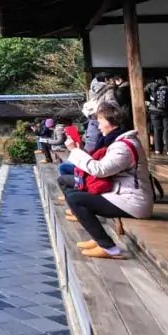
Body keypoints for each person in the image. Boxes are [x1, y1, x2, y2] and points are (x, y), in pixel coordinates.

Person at [63, 104, 153, 259]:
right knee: (73, 193)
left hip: (133, 201)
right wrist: (79, 150)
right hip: (121, 194)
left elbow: (100, 170)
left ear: (112, 122)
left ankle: (108, 248)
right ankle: (97, 238)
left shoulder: (123, 147)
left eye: (100, 122)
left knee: (76, 199)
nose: (98, 127)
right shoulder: (120, 142)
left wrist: (74, 151)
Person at [145, 77, 168, 155]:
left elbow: (144, 94)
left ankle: (158, 149)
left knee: (157, 129)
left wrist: (150, 103)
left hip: (154, 111)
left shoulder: (150, 86)